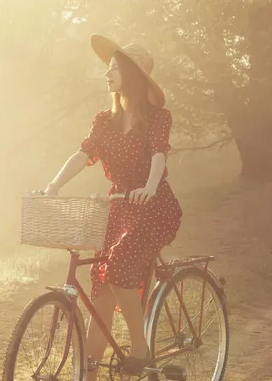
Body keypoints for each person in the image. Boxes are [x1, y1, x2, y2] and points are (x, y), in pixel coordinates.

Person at [40, 35, 183, 378]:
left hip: (154, 206)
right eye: (108, 69)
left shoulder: (158, 118)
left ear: (132, 76)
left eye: (115, 69)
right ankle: (88, 370)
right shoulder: (105, 120)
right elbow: (83, 153)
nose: (107, 75)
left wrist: (149, 187)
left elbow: (160, 154)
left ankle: (139, 348)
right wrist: (54, 184)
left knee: (117, 267)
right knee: (102, 285)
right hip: (120, 207)